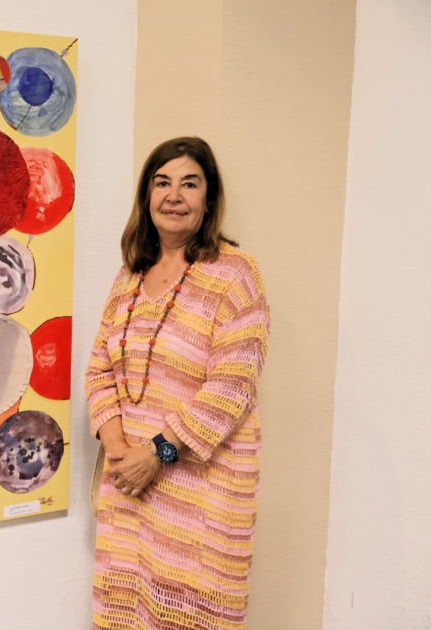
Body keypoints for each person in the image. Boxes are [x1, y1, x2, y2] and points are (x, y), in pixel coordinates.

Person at [86, 137, 270, 629]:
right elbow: (100, 369)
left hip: (202, 500)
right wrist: (119, 449)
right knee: (127, 613)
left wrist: (156, 454)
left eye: (189, 183)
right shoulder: (130, 276)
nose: (174, 195)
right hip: (131, 488)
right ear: (147, 196)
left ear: (208, 198)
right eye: (162, 182)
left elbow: (231, 388)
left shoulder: (235, 275)